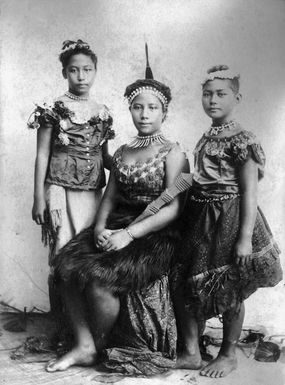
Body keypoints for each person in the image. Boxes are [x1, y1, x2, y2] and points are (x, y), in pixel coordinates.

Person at [45, 45, 189, 375]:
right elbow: (109, 197)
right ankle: (83, 344)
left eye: (152, 108)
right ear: (130, 111)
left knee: (99, 281)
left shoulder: (172, 152)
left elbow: (172, 209)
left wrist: (127, 235)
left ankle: (100, 342)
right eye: (138, 107)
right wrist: (99, 229)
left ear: (163, 113)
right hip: (119, 221)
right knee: (65, 265)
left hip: (155, 232)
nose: (144, 114)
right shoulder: (123, 151)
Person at [173, 65, 283, 378]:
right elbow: (200, 178)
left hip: (232, 218)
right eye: (207, 94)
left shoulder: (243, 140)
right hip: (201, 217)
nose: (213, 100)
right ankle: (192, 352)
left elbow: (249, 192)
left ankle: (228, 354)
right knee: (190, 282)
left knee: (230, 286)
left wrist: (245, 238)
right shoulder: (207, 136)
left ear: (237, 97)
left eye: (221, 94)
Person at [28, 39, 114, 315]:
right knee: (63, 253)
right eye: (74, 70)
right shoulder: (53, 111)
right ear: (65, 72)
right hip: (60, 190)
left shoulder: (102, 112)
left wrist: (137, 160)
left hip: (91, 192)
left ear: (95, 71)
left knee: (88, 253)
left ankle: (86, 326)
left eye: (87, 70)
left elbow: (106, 157)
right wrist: (38, 197)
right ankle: (64, 326)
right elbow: (42, 155)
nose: (81, 76)